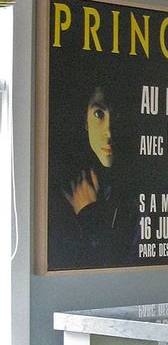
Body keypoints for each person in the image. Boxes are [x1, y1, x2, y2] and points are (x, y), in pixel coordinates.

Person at [47, 82, 139, 270]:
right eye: (99, 114)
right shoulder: (59, 188)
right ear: (85, 120)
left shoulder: (131, 194)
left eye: (118, 116)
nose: (109, 131)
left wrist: (89, 215)